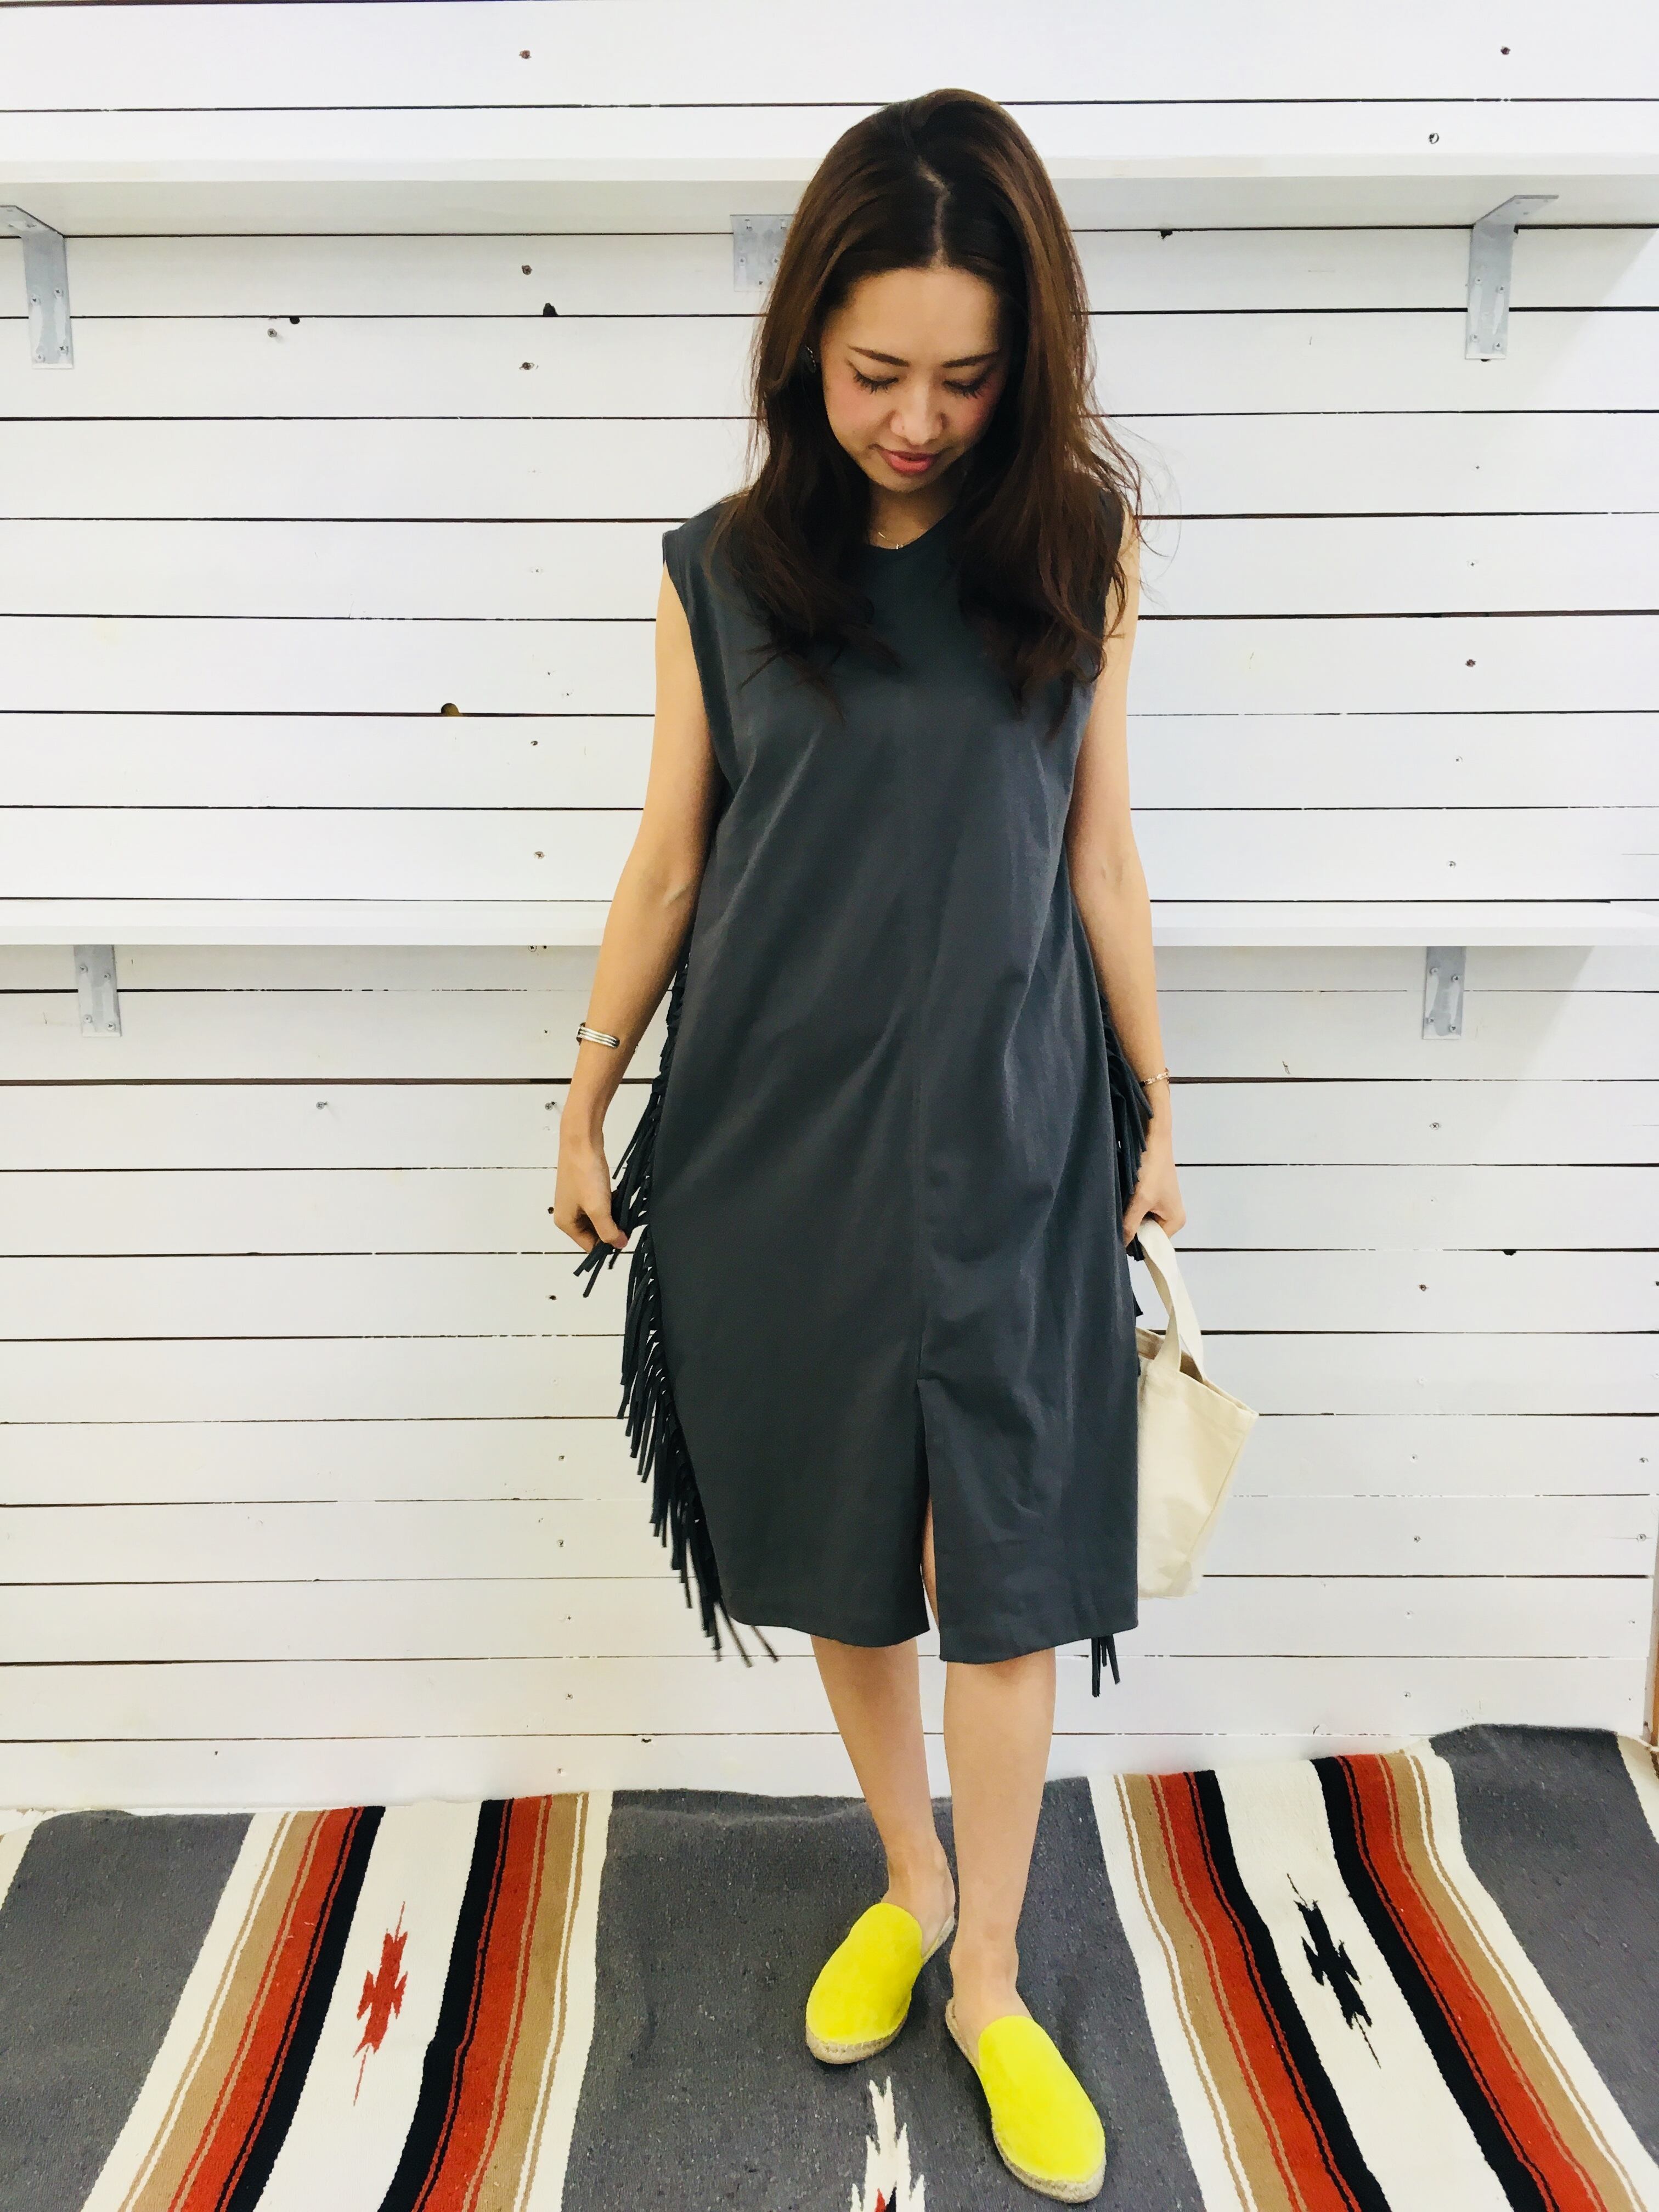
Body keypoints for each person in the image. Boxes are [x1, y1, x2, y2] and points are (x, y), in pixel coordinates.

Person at [555, 86, 1184, 2205]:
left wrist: (1159, 1104)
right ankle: (909, 1880)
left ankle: (991, 1971)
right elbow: (674, 857)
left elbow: (1100, 858)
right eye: (873, 371)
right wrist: (587, 1085)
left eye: (968, 377)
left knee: (998, 1575)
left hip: (1011, 1129)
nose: (917, 419)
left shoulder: (1077, 558)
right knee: (852, 1537)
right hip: (781, 1138)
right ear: (804, 347)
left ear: (1033, 360)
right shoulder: (723, 573)